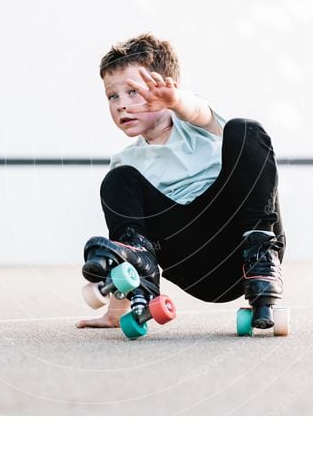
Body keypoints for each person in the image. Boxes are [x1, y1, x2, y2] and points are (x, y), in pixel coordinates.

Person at [77, 33, 286, 331]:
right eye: (113, 96)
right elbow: (128, 233)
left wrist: (177, 101)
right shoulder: (128, 166)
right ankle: (142, 280)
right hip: (194, 266)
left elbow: (197, 110)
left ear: (167, 88)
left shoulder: (199, 127)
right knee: (117, 179)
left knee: (246, 130)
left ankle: (261, 250)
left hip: (241, 248)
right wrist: (116, 311)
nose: (121, 105)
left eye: (133, 92)